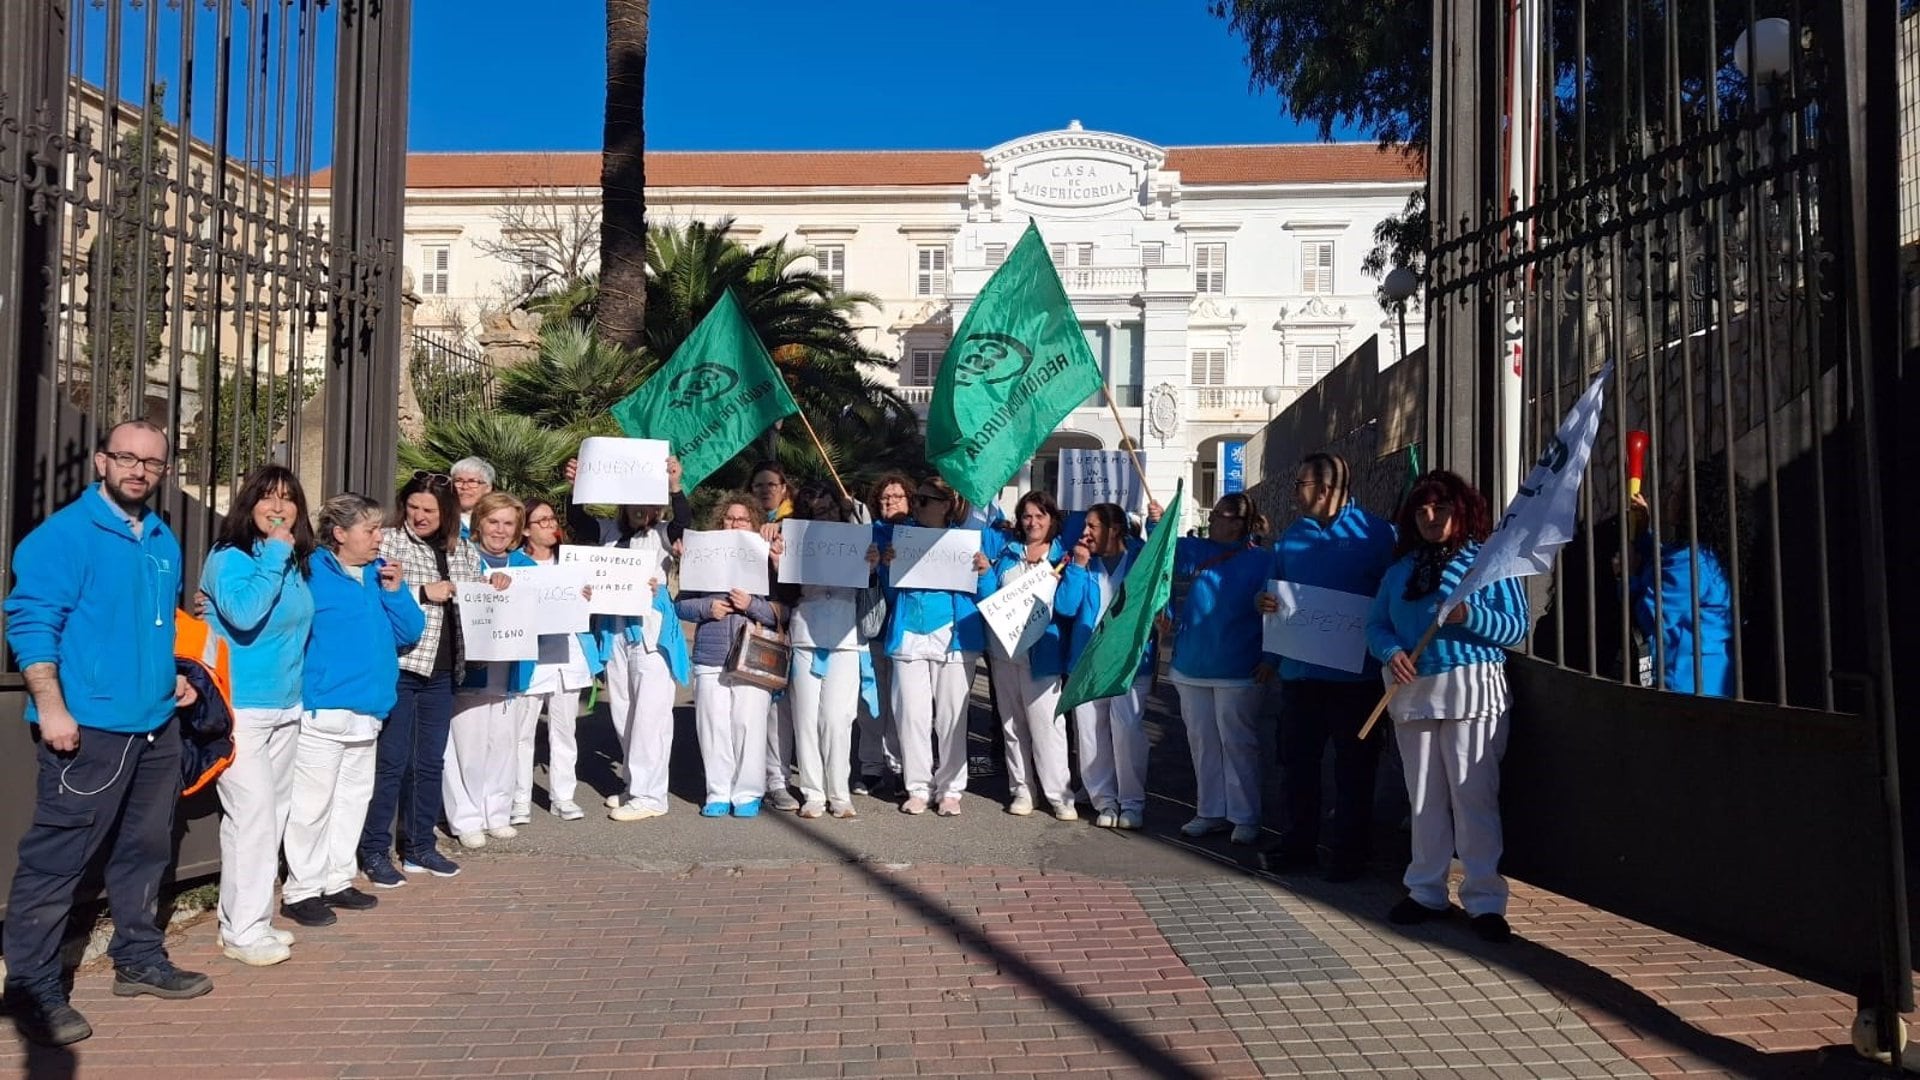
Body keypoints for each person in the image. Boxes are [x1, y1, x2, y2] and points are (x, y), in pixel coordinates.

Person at [2, 420, 209, 1047]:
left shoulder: (161, 538)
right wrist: (53, 707)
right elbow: (32, 623)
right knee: (57, 860)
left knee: (144, 851)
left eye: (152, 462)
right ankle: (31, 986)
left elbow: (155, 623)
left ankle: (139, 960)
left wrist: (175, 674)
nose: (138, 470)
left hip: (155, 726)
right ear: (101, 462)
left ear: (164, 470)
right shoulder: (64, 536)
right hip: (87, 729)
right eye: (126, 458)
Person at [1366, 469, 1530, 943]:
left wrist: (1468, 614)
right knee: (1424, 797)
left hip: (1471, 688)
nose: (1430, 517)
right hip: (1413, 692)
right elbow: (1376, 624)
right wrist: (1390, 652)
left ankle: (1484, 899)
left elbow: (1515, 628)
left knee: (1472, 796)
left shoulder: (1490, 563)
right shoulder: (1399, 571)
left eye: (1440, 509)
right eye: (1421, 510)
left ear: (1461, 512)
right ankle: (1425, 890)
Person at [1254, 453, 1398, 882]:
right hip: (1300, 676)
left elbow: (1393, 596)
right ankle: (1298, 844)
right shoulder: (1290, 538)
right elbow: (1271, 594)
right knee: (1297, 764)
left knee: (1354, 767)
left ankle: (1350, 852)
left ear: (1324, 488)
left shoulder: (1377, 535)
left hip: (1358, 679)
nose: (1293, 492)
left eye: (1299, 483)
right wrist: (1263, 605)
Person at [282, 494, 424, 929]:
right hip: (325, 707)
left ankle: (337, 878)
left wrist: (396, 591)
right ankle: (301, 888)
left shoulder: (375, 577)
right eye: (371, 530)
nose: (380, 538)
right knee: (312, 803)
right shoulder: (310, 572)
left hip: (370, 708)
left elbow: (411, 631)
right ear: (340, 534)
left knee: (352, 799)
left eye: (379, 529)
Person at [200, 464, 317, 966]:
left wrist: (281, 557)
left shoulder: (292, 561)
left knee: (267, 816)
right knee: (253, 818)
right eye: (267, 497)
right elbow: (244, 615)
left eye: (288, 498)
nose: (278, 506)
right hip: (241, 709)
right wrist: (274, 553)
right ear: (248, 505)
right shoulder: (230, 558)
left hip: (286, 707)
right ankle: (246, 931)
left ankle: (245, 921)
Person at [359, 470, 483, 884]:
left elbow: (480, 596)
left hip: (445, 669)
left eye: (428, 509)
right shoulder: (390, 541)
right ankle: (375, 849)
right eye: (412, 507)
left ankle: (419, 846)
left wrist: (497, 586)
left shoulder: (464, 548)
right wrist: (422, 592)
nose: (418, 516)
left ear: (446, 512)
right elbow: (374, 596)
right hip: (403, 666)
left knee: (430, 762)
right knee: (391, 762)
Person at [565, 455, 693, 821]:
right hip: (614, 630)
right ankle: (634, 784)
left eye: (649, 502)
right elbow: (578, 521)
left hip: (651, 633)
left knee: (650, 715)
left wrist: (675, 485)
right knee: (622, 709)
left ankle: (651, 796)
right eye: (634, 502)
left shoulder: (662, 534)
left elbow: (685, 523)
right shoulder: (608, 531)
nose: (641, 509)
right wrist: (577, 485)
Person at [1151, 491, 1271, 846]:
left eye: (1224, 515)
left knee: (1238, 742)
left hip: (1240, 665)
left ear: (1242, 523)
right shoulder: (1194, 549)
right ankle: (1210, 810)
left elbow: (1278, 611)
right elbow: (1162, 562)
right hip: (1191, 662)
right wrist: (1157, 522)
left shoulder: (1263, 561)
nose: (1215, 520)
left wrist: (1272, 659)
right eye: (1215, 513)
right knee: (1202, 741)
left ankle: (1245, 814)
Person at [882, 476, 992, 816]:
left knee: (950, 717)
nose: (918, 506)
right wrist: (886, 566)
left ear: (946, 505)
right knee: (911, 715)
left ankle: (951, 788)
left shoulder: (967, 541)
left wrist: (984, 572)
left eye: (926, 500)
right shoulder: (903, 537)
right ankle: (917, 787)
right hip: (910, 633)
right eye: (917, 500)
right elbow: (889, 595)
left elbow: (986, 595)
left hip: (953, 636)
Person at [677, 496, 784, 817]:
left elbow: (783, 611)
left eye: (742, 519)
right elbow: (680, 604)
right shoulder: (702, 557)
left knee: (747, 724)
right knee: (713, 726)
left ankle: (748, 792)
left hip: (753, 654)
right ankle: (717, 792)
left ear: (753, 524)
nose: (735, 524)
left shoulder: (767, 558)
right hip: (710, 654)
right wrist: (706, 608)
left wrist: (751, 604)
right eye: (729, 518)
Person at [783, 482, 881, 819]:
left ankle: (839, 792)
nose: (823, 511)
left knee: (838, 719)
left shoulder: (857, 540)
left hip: (845, 635)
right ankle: (813, 793)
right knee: (806, 719)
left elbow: (864, 518)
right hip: (806, 633)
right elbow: (783, 583)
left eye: (830, 506)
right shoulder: (796, 540)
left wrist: (871, 563)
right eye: (816, 508)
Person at [510, 497, 609, 821]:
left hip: (570, 656)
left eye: (553, 519)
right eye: (542, 521)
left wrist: (591, 596)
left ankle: (563, 796)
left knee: (565, 731)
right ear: (525, 529)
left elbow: (602, 599)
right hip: (531, 659)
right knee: (522, 733)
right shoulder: (513, 565)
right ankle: (520, 800)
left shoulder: (574, 562)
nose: (551, 525)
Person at [1059, 502, 1154, 830]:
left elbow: (1163, 562)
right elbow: (1066, 607)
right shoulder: (1083, 562)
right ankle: (1104, 799)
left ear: (1114, 529)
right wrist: (1077, 568)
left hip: (1128, 662)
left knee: (1126, 731)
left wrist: (1155, 522)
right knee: (1089, 733)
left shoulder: (1139, 560)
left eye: (1092, 526)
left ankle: (1131, 801)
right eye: (1085, 525)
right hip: (1087, 663)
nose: (1085, 532)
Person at [980, 491, 1074, 819]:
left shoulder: (1064, 554)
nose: (1033, 522)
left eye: (1040, 516)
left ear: (1052, 519)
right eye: (1027, 516)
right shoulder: (1007, 554)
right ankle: (1022, 789)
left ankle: (1059, 793)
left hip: (1044, 651)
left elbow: (1067, 604)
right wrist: (983, 574)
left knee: (1048, 725)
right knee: (1011, 723)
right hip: (1004, 650)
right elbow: (989, 597)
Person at [445, 492, 528, 846]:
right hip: (472, 669)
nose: (500, 530)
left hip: (511, 670)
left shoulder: (527, 565)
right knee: (467, 745)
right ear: (478, 522)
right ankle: (465, 817)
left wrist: (576, 596)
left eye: (508, 523)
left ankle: (496, 811)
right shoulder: (461, 557)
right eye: (493, 521)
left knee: (503, 745)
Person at [1623, 461, 1738, 698]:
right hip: (1703, 681)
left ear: (1692, 505)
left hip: (1686, 685)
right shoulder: (1701, 555)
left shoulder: (1692, 563)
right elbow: (1665, 562)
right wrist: (1644, 536)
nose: (1668, 499)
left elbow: (1650, 613)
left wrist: (1625, 579)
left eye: (1676, 493)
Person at [853, 473, 914, 798]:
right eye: (885, 497)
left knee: (904, 705)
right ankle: (871, 767)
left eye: (897, 496)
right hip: (873, 631)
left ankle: (902, 767)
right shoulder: (868, 535)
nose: (890, 502)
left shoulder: (918, 533)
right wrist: (874, 567)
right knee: (872, 702)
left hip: (906, 632)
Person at [749, 461, 801, 810]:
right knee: (757, 710)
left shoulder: (797, 527)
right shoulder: (742, 527)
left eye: (772, 484)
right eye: (758, 485)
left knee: (783, 710)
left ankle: (780, 778)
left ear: (784, 488)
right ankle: (760, 779)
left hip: (786, 622)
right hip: (750, 623)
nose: (766, 490)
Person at [449, 457, 495, 537]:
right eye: (458, 481)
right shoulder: (442, 521)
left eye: (472, 482)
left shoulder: (497, 522)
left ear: (488, 488)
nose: (465, 487)